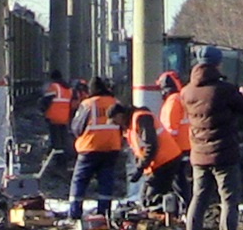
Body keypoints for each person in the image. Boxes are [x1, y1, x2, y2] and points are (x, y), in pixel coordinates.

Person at [180, 46, 243, 230]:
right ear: (217, 64)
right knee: (229, 200)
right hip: (224, 154)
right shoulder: (224, 90)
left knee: (198, 199)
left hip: (198, 155)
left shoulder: (186, 92)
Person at [112, 101, 186, 211]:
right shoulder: (131, 124)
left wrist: (140, 168)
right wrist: (139, 167)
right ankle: (177, 212)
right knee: (145, 199)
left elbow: (150, 146)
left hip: (165, 161)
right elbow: (139, 150)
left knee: (151, 199)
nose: (114, 123)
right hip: (160, 162)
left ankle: (171, 217)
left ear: (120, 115)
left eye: (114, 120)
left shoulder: (141, 118)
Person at [67, 76, 122, 221]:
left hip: (90, 147)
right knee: (106, 181)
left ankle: (74, 213)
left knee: (80, 180)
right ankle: (104, 213)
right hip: (111, 148)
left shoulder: (88, 104)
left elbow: (76, 127)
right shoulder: (115, 102)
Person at [155, 71, 192, 203]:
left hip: (177, 147)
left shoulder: (172, 101)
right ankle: (184, 206)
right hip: (186, 145)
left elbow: (170, 128)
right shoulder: (181, 98)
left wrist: (165, 150)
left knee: (178, 178)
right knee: (179, 177)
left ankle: (185, 205)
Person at [40, 70, 73, 157]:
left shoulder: (54, 87)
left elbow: (46, 101)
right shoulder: (68, 89)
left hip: (53, 117)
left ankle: (57, 158)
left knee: (55, 140)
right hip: (64, 118)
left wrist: (42, 110)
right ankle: (65, 157)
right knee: (63, 139)